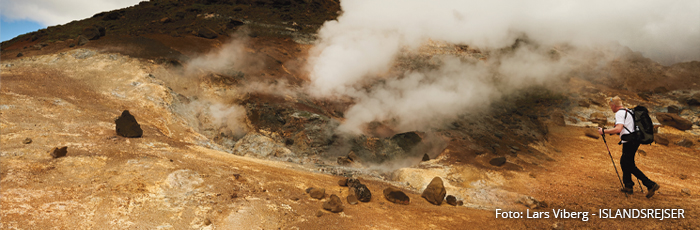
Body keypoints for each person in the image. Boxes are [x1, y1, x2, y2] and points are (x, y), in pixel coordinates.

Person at [598, 96, 660, 198]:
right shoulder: (628, 111)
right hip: (634, 140)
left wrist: (603, 131)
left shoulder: (619, 113)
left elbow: (618, 129)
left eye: (611, 106)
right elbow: (626, 128)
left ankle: (650, 184)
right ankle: (628, 186)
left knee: (629, 164)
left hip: (630, 141)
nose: (611, 108)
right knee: (625, 162)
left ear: (613, 105)